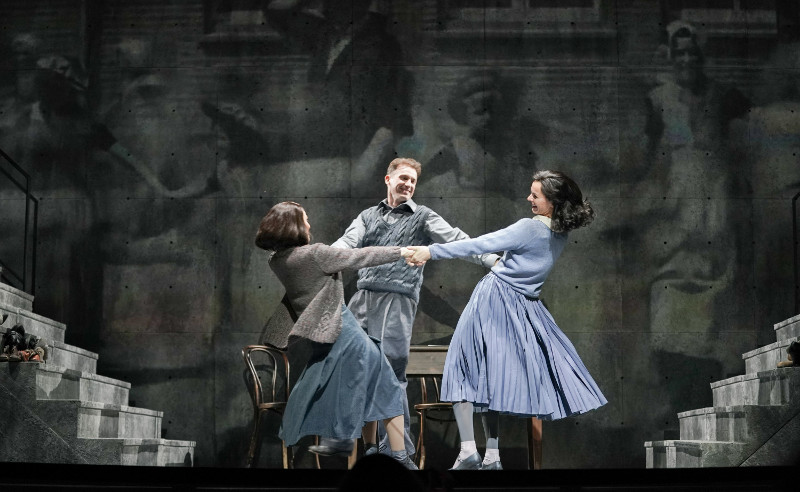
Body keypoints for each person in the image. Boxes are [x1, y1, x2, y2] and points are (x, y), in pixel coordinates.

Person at [405, 170, 607, 470]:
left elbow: (479, 244)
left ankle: (468, 451)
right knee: (492, 377)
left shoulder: (529, 228)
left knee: (462, 367)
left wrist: (430, 251)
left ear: (551, 202)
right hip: (522, 308)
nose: (529, 198)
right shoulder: (559, 234)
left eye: (535, 195)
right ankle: (492, 456)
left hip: (493, 299)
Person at [331, 157, 499, 457]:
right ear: (388, 179)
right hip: (362, 300)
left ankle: (399, 452)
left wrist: (491, 260)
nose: (408, 184)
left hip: (397, 300)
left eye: (413, 181)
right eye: (403, 178)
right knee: (360, 372)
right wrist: (325, 258)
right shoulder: (368, 215)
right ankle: (370, 447)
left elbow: (457, 240)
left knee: (391, 371)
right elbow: (347, 242)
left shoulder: (422, 216)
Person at [255, 201, 418, 469]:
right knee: (387, 388)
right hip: (346, 332)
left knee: (367, 389)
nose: (309, 224)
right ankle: (397, 458)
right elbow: (362, 256)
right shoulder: (315, 254)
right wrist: (402, 251)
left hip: (325, 336)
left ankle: (367, 450)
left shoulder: (278, 262)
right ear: (294, 225)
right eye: (305, 219)